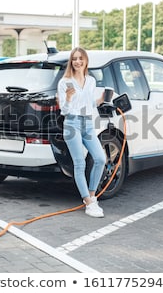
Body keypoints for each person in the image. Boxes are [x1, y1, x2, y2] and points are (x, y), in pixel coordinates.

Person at [57, 47, 107, 218]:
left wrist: (99, 100)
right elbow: (64, 110)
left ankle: (92, 196)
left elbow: (88, 103)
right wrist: (68, 98)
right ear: (71, 62)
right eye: (74, 59)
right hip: (72, 124)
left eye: (80, 58)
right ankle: (87, 202)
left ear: (86, 60)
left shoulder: (91, 81)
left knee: (100, 158)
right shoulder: (65, 82)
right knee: (80, 164)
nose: (77, 62)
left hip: (88, 123)